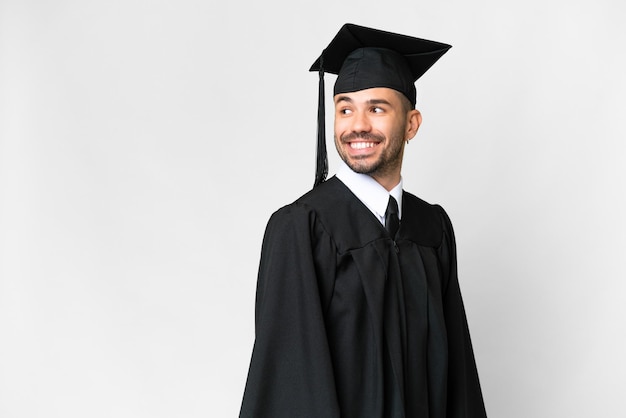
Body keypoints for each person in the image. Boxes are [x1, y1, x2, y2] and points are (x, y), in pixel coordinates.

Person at [240, 23, 487, 418]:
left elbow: (458, 376)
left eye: (376, 108)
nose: (357, 125)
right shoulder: (302, 227)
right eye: (344, 109)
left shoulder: (432, 228)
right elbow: (290, 380)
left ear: (411, 124)